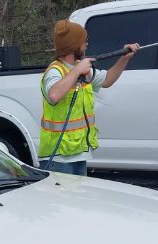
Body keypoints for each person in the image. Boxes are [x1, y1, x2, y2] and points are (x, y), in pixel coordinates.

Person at [40, 20, 140, 176]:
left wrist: (124, 58)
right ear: (73, 45)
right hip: (58, 159)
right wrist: (76, 71)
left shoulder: (82, 68)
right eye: (83, 41)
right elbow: (53, 95)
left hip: (78, 154)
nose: (87, 44)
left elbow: (107, 80)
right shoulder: (55, 71)